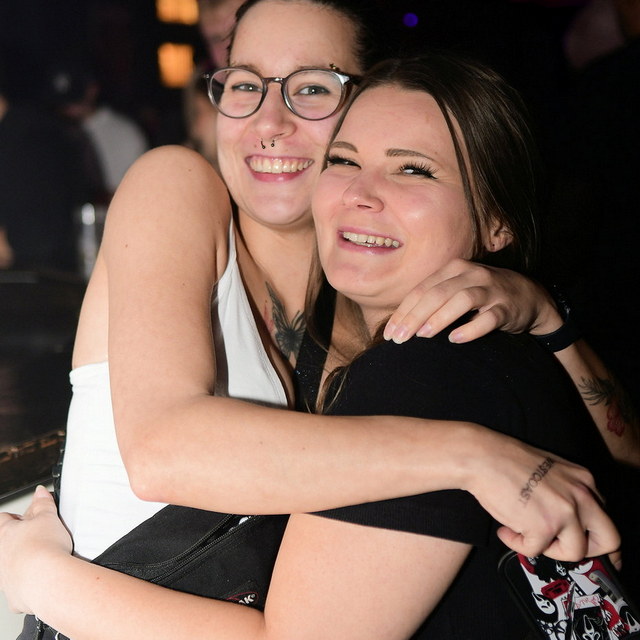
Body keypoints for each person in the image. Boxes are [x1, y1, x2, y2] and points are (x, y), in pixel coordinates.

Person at [0, 49, 632, 640]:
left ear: (497, 223)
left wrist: (38, 578)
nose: (360, 193)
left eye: (413, 169)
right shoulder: (501, 344)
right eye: (345, 161)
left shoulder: (427, 370)